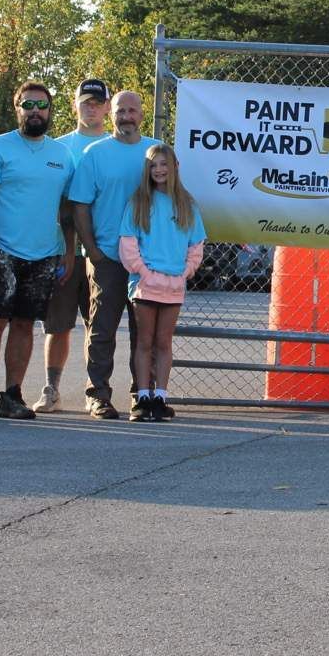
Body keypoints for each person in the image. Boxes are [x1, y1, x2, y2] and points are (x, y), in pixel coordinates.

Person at [0, 82, 77, 421]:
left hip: (44, 254)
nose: (35, 111)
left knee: (24, 324)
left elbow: (67, 210)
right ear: (16, 108)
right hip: (1, 250)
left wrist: (67, 252)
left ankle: (12, 395)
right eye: (27, 104)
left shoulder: (62, 155)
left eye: (41, 105)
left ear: (50, 111)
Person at [69, 89, 162, 419]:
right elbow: (79, 205)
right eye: (121, 111)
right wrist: (91, 250)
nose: (126, 116)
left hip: (150, 262)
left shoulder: (155, 153)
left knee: (145, 332)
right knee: (102, 329)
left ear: (141, 113)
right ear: (112, 114)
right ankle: (98, 394)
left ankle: (143, 395)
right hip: (108, 257)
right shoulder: (95, 154)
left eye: (132, 111)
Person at [119, 143, 207, 421]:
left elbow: (196, 244)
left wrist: (184, 272)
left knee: (163, 342)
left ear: (174, 167)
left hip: (173, 285)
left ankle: (161, 397)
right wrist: (143, 272)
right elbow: (128, 243)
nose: (159, 170)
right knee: (144, 342)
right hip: (145, 284)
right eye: (153, 165)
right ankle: (142, 397)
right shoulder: (138, 202)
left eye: (163, 164)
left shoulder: (186, 204)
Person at [38, 77, 112, 412]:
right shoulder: (58, 147)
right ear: (74, 105)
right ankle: (51, 389)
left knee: (98, 327)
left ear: (107, 107)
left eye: (98, 102)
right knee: (59, 325)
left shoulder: (116, 146)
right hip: (62, 250)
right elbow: (57, 203)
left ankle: (95, 393)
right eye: (86, 102)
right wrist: (68, 248)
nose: (92, 107)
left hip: (104, 251)